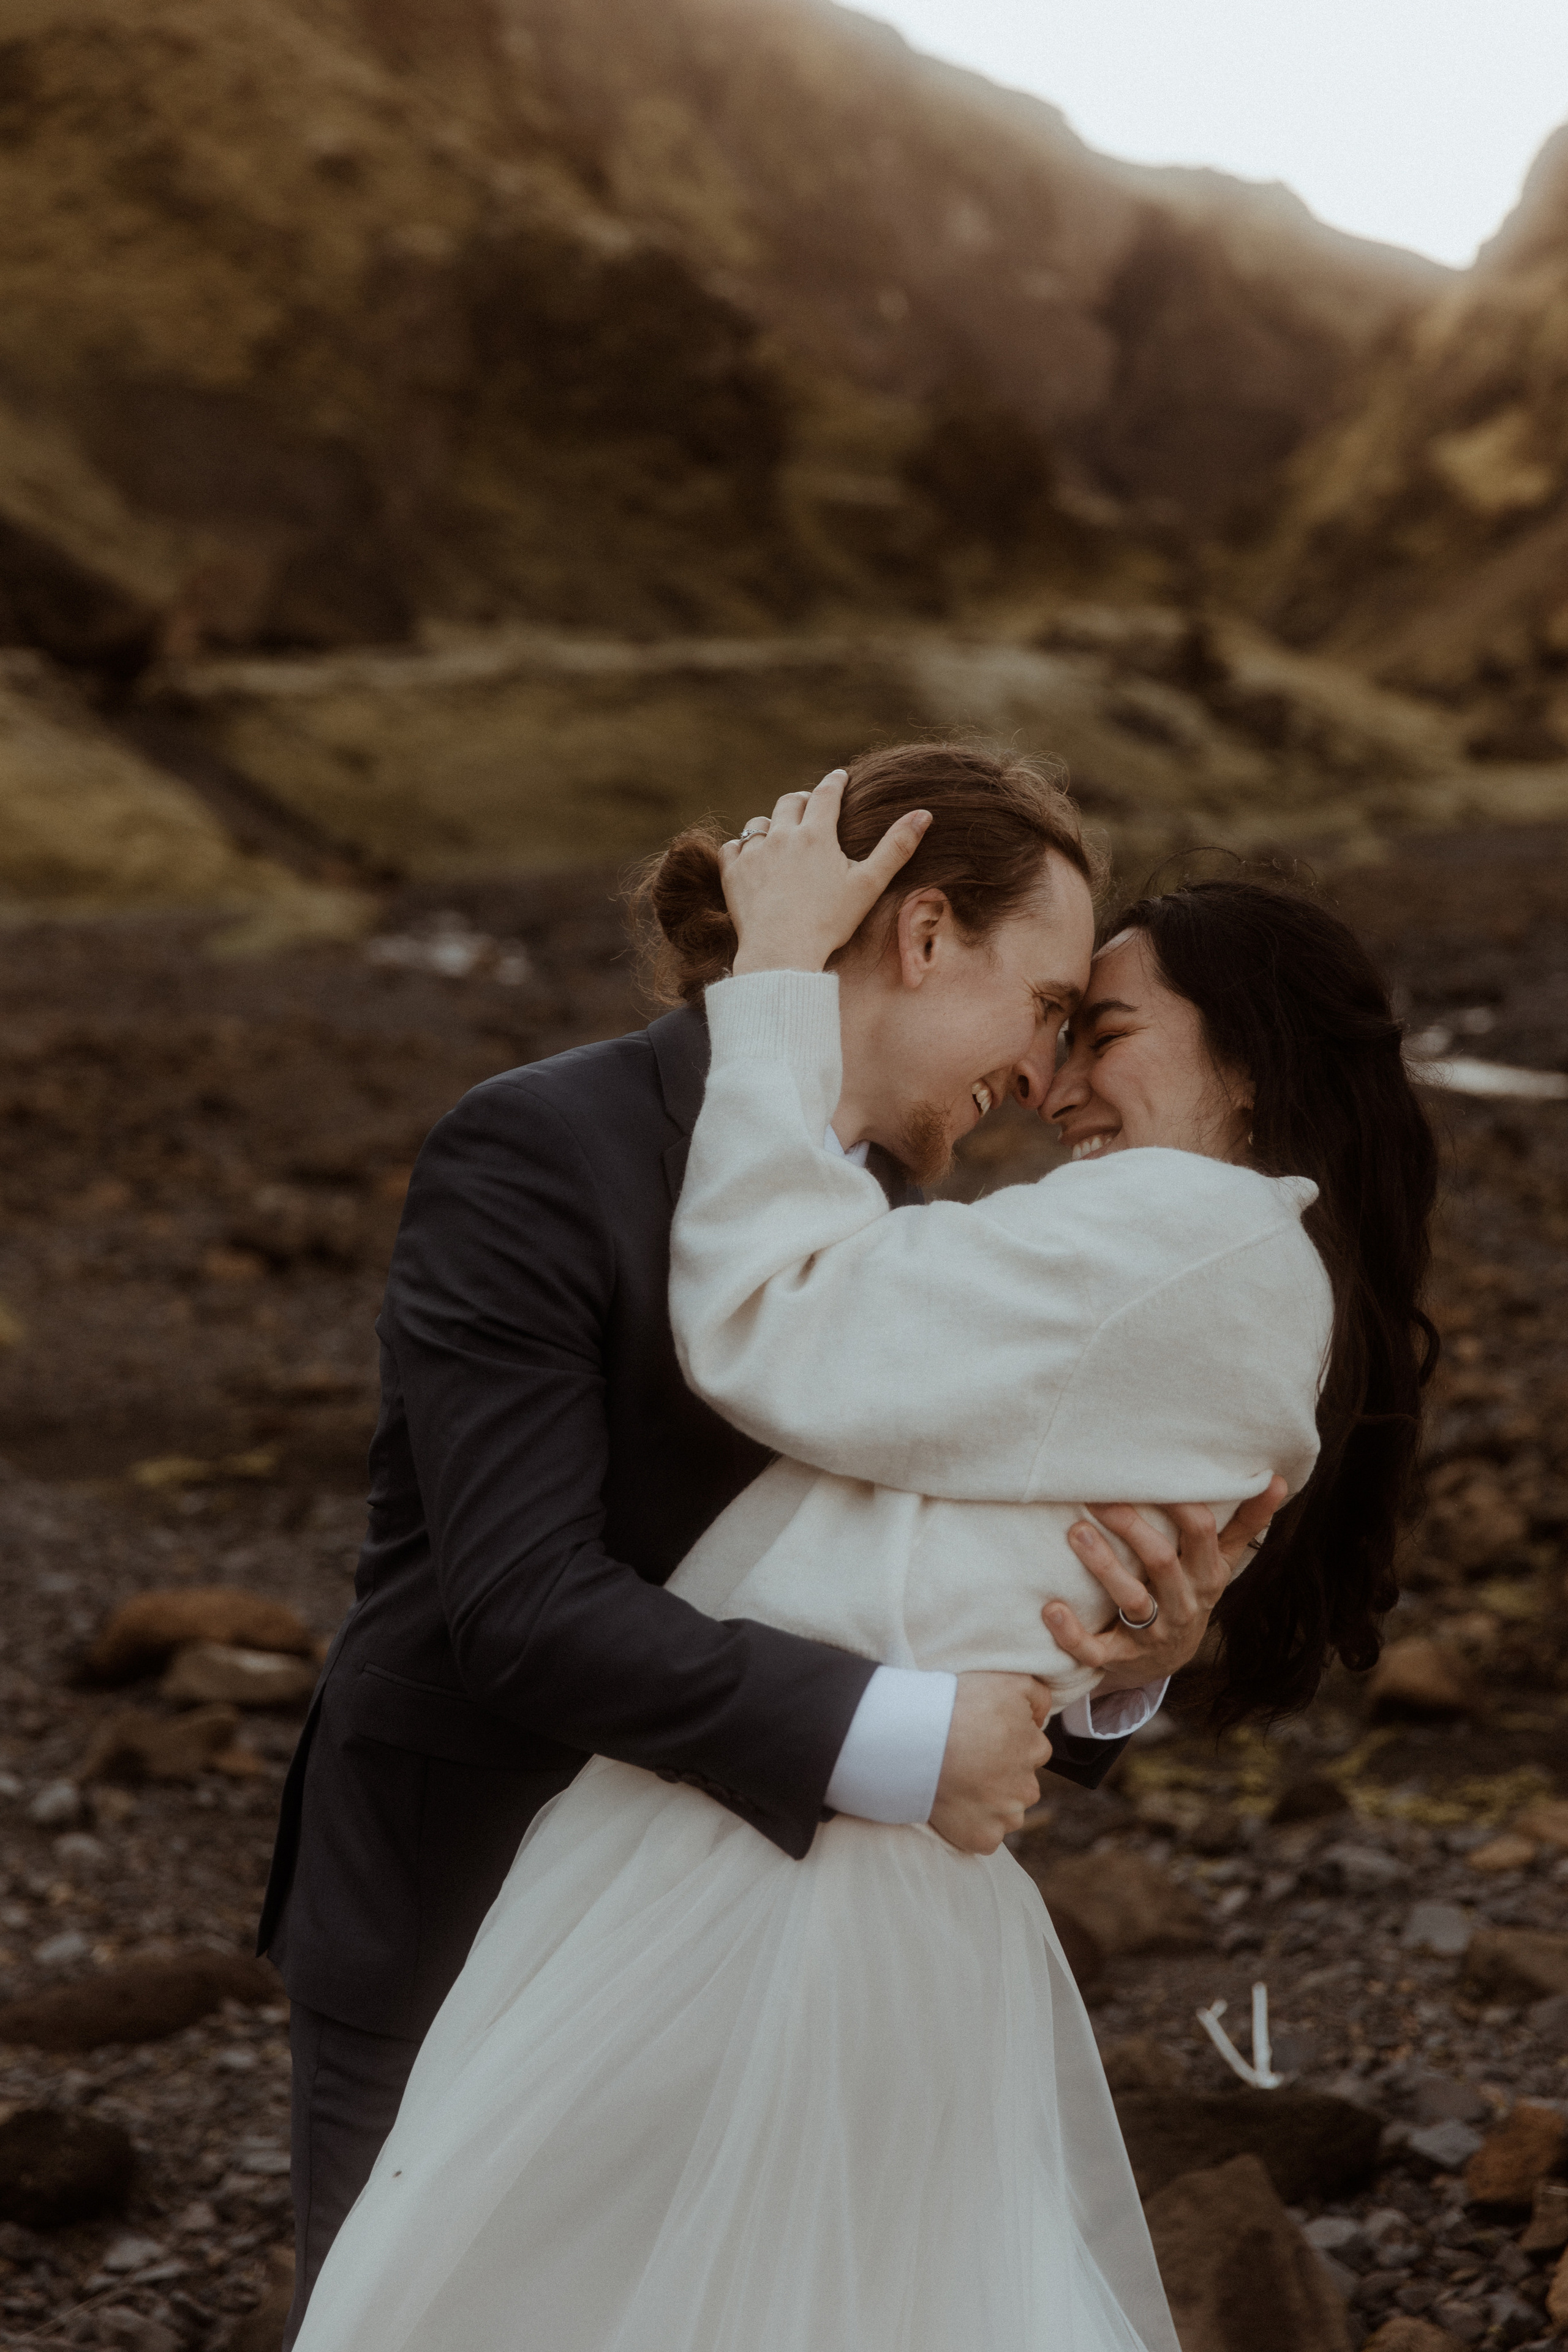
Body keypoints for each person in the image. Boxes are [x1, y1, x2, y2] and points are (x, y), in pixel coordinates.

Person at [290, 775, 1437, 2352]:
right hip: (463, 1868)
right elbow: (520, 1606)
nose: (1040, 1081)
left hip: (788, 1917)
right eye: (1046, 1009)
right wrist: (908, 1745)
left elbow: (943, 1586)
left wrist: (1118, 1673)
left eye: (1082, 1030)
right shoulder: (543, 1147)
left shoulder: (922, 1218)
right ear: (915, 934)